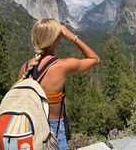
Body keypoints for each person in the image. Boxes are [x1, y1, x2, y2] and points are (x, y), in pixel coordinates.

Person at [18, 18, 100, 150]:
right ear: (56, 40)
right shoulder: (61, 66)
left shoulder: (25, 68)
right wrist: (72, 37)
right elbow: (95, 59)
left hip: (30, 127)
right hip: (54, 128)